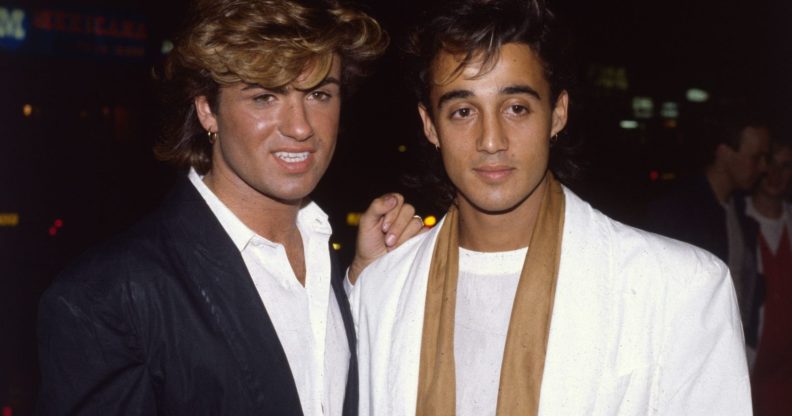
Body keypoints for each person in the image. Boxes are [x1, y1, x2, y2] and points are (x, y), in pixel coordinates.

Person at [350, 0, 752, 414]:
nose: (491, 140)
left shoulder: (679, 287)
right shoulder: (381, 289)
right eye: (463, 111)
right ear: (430, 125)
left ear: (557, 113)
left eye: (516, 108)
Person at [36, 1, 423, 415]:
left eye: (319, 94)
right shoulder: (108, 297)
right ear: (207, 109)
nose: (301, 126)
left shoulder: (327, 258)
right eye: (264, 97)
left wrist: (361, 288)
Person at [646, 107, 771, 349]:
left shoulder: (738, 211)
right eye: (756, 158)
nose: (764, 168)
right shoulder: (677, 213)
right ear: (724, 154)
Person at [744, 138, 792, 416]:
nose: (775, 174)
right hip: (750, 374)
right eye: (770, 163)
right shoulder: (735, 221)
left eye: (785, 166)